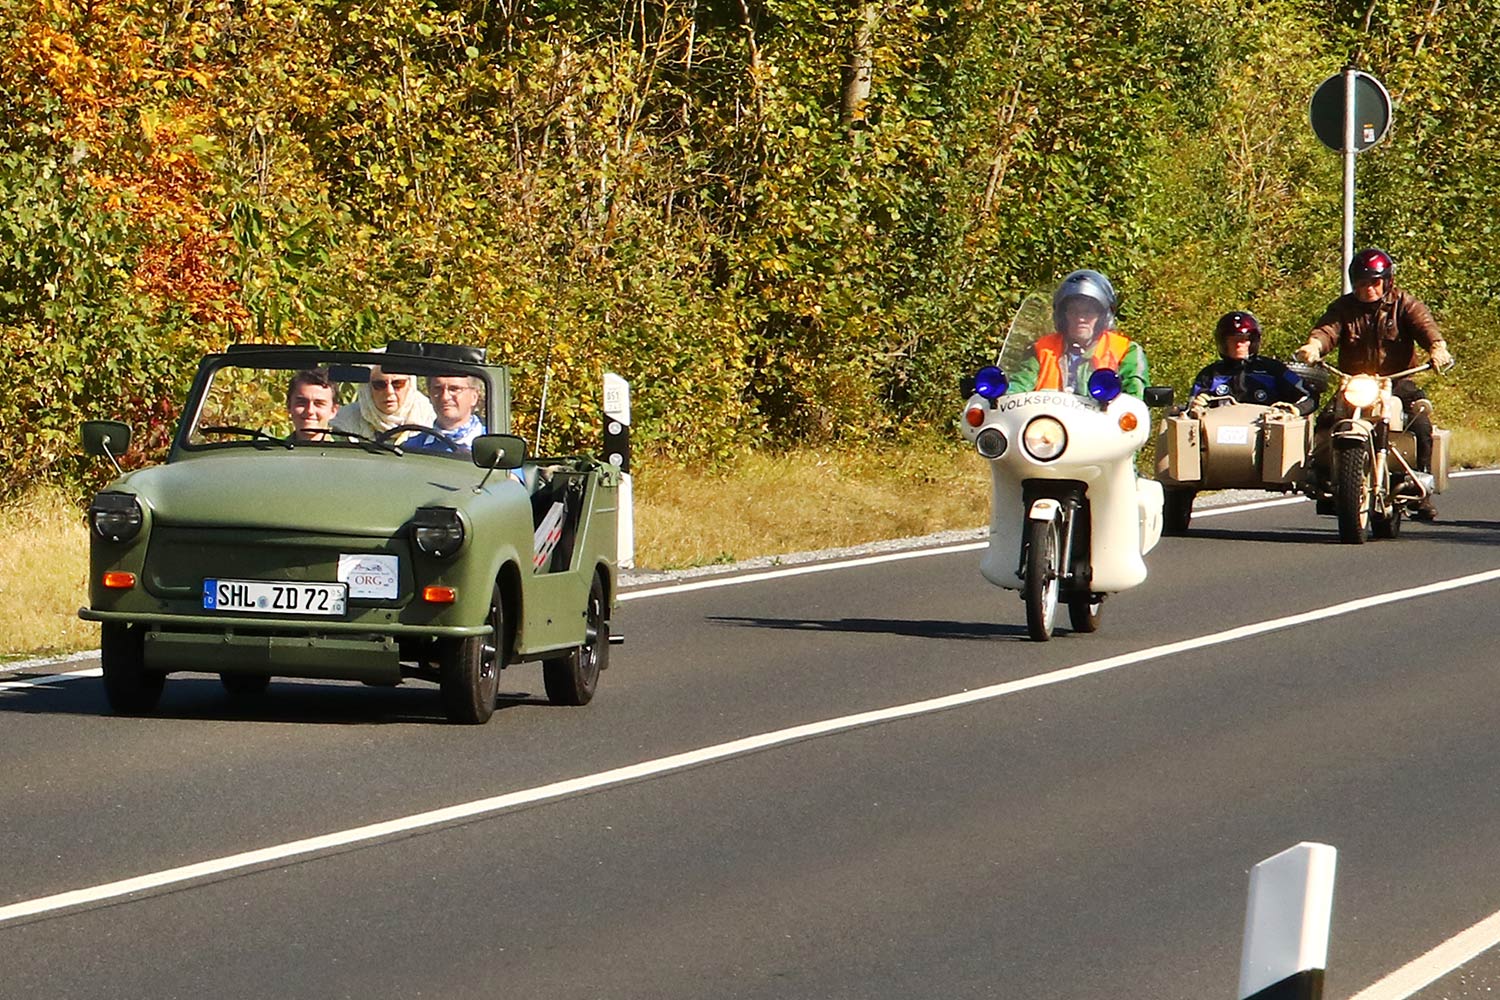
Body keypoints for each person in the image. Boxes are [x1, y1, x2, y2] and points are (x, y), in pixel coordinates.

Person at [1294, 248, 1453, 520]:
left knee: (1421, 421)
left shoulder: (1404, 303)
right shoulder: (1343, 308)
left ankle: (1421, 486)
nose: (1367, 287)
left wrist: (1438, 347)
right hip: (1355, 383)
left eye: (1374, 281)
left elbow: (1425, 326)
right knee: (1326, 421)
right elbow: (1327, 330)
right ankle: (1323, 480)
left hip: (1397, 380)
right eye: (1361, 281)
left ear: (1387, 281)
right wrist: (1313, 346)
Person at [1006, 269, 1149, 398]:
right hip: (1046, 424)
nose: (1080, 318)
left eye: (1088, 311)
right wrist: (1005, 396)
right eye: (1073, 311)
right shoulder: (1041, 350)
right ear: (1062, 315)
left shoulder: (1125, 351)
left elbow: (1135, 399)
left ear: (1102, 316)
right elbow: (1018, 386)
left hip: (1101, 425)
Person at [1189, 311, 1316, 415]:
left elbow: (1310, 395)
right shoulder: (1210, 374)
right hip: (1217, 439)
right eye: (1233, 340)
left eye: (1244, 340)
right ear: (1222, 342)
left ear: (1254, 341)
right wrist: (1196, 404)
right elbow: (1192, 406)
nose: (1239, 345)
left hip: (1267, 438)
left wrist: (1294, 409)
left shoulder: (1273, 370)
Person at [329, 365, 437, 445]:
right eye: (379, 385)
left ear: (410, 385)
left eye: (397, 383)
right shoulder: (343, 422)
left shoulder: (430, 419)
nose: (389, 391)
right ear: (368, 388)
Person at [408, 374, 486, 453]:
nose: (445, 397)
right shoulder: (412, 447)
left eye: (454, 389)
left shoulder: (491, 442)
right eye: (437, 389)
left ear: (474, 397)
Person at [285, 368, 340, 442]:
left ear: (333, 411)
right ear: (289, 406)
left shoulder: (349, 451)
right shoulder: (274, 451)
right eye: (302, 403)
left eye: (319, 404)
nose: (310, 411)